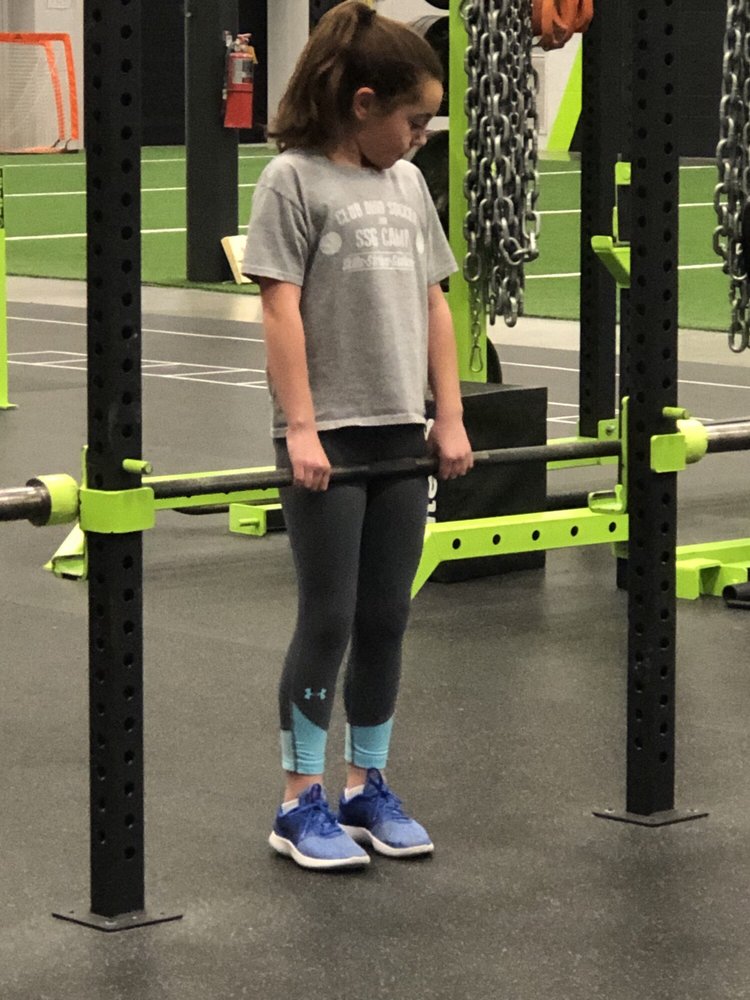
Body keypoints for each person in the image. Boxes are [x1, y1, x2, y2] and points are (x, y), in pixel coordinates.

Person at [243, 0, 473, 871]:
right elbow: (279, 307)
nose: (422, 137)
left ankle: (365, 786)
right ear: (363, 102)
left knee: (386, 615)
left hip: (401, 431)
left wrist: (449, 414)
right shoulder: (291, 180)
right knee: (329, 617)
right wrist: (300, 428)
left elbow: (434, 302)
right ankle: (298, 802)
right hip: (329, 437)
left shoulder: (407, 185)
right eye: (415, 120)